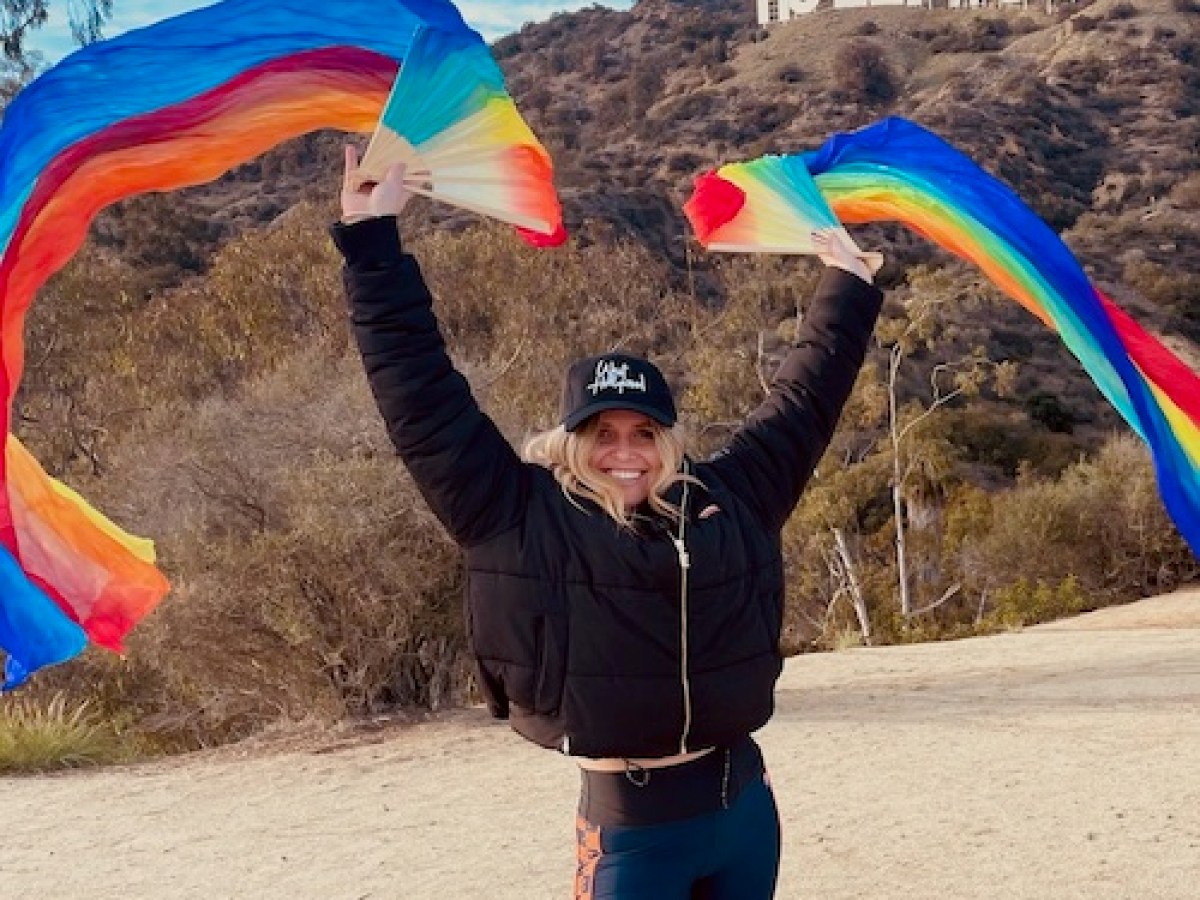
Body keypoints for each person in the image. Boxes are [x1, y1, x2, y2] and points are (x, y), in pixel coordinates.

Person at [332, 146, 884, 900]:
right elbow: (421, 398)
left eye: (644, 433)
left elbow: (806, 398)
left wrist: (848, 283)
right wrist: (371, 243)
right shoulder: (511, 512)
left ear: (667, 440)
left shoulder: (730, 498)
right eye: (603, 434)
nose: (625, 453)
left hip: (746, 810)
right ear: (572, 441)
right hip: (632, 834)